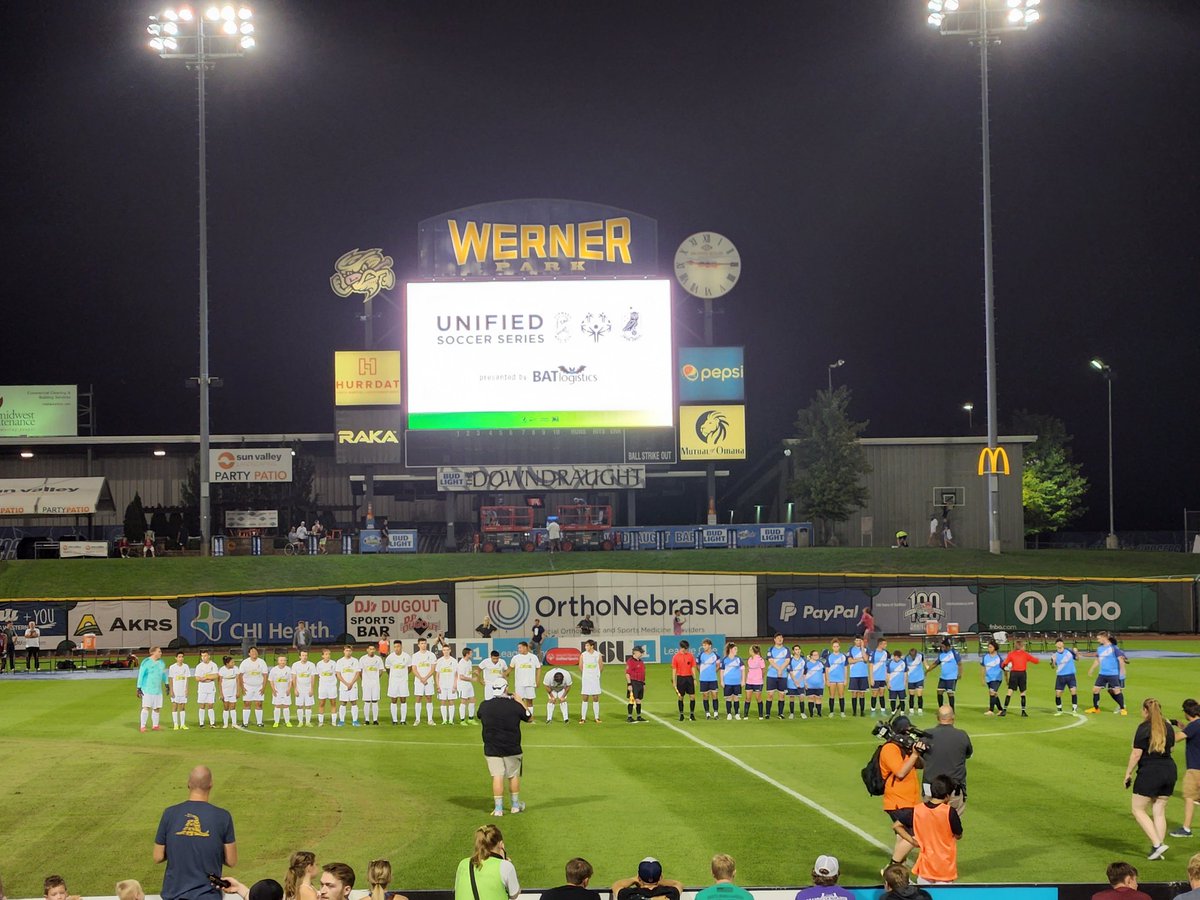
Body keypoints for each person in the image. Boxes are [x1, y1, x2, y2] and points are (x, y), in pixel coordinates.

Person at [153, 765, 237, 900]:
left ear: (188, 784)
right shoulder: (223, 816)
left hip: (174, 895)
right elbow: (231, 860)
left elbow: (157, 856)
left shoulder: (169, 813)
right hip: (208, 896)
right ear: (211, 784)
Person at [1125, 697, 1177, 860]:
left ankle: (1157, 845)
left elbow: (1136, 753)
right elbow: (1172, 749)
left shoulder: (1143, 728)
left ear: (1145, 711)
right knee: (1159, 810)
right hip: (1169, 770)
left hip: (1151, 772)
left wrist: (1128, 773)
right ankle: (1158, 849)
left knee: (1138, 809)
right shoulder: (1168, 727)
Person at [478, 682, 533, 815]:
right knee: (513, 775)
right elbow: (529, 718)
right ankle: (515, 806)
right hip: (512, 747)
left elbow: (479, 715)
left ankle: (498, 809)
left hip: (491, 747)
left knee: (497, 776)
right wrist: (521, 702)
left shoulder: (484, 705)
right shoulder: (514, 705)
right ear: (506, 688)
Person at [879, 715, 927, 868]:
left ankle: (898, 872)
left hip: (909, 800)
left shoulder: (904, 747)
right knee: (916, 834)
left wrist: (915, 751)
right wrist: (914, 754)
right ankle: (892, 867)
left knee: (902, 838)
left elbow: (921, 765)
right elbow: (900, 772)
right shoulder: (889, 748)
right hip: (898, 801)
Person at [902, 774, 964, 885]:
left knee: (924, 893)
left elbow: (896, 826)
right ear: (947, 796)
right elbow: (958, 835)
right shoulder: (949, 812)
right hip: (944, 867)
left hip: (925, 866)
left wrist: (913, 841)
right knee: (943, 894)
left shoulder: (917, 809)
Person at [921, 705, 972, 814]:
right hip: (954, 789)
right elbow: (968, 754)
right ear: (953, 717)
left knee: (929, 821)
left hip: (931, 789)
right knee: (953, 822)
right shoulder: (962, 735)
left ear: (937, 717)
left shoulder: (926, 735)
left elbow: (918, 758)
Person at [453, 825, 519, 900]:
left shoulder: (463, 864)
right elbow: (514, 894)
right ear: (501, 845)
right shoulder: (505, 866)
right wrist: (504, 861)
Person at [1171, 699, 1200, 838]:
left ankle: (1186, 829)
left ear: (1187, 712)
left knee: (1189, 797)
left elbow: (1176, 738)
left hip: (1195, 769)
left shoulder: (1193, 726)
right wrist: (1184, 727)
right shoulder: (1194, 726)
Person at [1088, 631, 1128, 715]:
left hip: (1113, 674)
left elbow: (1121, 660)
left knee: (1116, 691)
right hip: (1102, 673)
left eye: (1099, 638)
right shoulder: (1100, 648)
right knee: (1095, 690)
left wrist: (1122, 672)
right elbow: (1098, 660)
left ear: (1104, 638)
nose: (1098, 640)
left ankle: (1122, 709)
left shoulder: (1114, 648)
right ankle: (1096, 708)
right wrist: (1092, 669)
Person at [1000, 638, 1041, 717]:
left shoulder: (1011, 654)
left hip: (1014, 674)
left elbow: (1004, 663)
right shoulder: (1025, 654)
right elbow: (1036, 661)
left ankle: (1004, 710)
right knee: (1023, 693)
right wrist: (1036, 659)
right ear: (1022, 646)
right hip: (1022, 674)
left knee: (1010, 691)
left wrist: (1004, 667)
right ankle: (1023, 712)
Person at [611, 857, 683, 900]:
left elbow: (616, 885)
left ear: (639, 877)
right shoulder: (671, 893)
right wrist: (659, 880)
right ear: (660, 877)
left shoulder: (628, 895)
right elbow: (677, 884)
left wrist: (634, 879)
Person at [137, 646, 168, 732]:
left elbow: (163, 674)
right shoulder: (146, 662)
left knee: (157, 708)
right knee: (146, 707)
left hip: (158, 690)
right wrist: (138, 687)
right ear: (153, 652)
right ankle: (142, 726)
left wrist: (166, 683)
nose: (161, 653)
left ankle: (155, 725)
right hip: (147, 689)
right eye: (159, 651)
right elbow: (141, 675)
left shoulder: (161, 663)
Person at [926, 639, 961, 711]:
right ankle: (941, 709)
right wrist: (927, 670)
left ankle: (952, 711)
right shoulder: (941, 655)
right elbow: (935, 664)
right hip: (943, 677)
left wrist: (960, 673)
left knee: (950, 693)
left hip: (952, 677)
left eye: (943, 646)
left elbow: (959, 664)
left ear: (948, 647)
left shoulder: (954, 653)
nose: (942, 648)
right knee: (939, 692)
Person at [239, 646, 269, 728]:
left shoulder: (262, 662)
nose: (254, 653)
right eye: (252, 651)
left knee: (259, 703)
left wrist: (263, 687)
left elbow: (265, 675)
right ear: (249, 653)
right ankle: (245, 723)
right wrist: (242, 688)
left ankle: (259, 722)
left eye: (255, 651)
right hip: (247, 686)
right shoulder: (245, 663)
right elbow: (240, 675)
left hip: (259, 686)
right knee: (247, 703)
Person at [385, 639, 412, 725]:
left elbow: (409, 668)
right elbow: (387, 668)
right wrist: (393, 676)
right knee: (394, 700)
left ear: (401, 647)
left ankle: (403, 720)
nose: (397, 648)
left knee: (403, 699)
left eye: (398, 646)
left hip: (403, 681)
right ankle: (395, 720)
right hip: (393, 681)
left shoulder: (407, 656)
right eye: (395, 647)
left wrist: (404, 675)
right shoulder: (390, 657)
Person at [411, 637, 437, 726]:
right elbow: (414, 669)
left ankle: (430, 719)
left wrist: (425, 678)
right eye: (422, 643)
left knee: (429, 698)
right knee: (418, 698)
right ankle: (417, 719)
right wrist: (421, 678)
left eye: (425, 643)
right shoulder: (415, 656)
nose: (423, 645)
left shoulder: (431, 655)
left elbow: (433, 669)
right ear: (418, 645)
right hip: (419, 680)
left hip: (428, 679)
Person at [335, 644, 361, 727]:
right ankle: (341, 721)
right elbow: (338, 674)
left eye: (349, 651)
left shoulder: (355, 661)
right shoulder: (340, 661)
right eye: (346, 650)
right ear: (344, 651)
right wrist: (346, 683)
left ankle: (355, 721)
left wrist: (351, 683)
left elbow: (357, 673)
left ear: (352, 652)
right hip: (343, 685)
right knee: (343, 702)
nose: (348, 652)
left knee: (354, 702)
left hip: (353, 685)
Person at [671, 639, 698, 721]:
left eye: (687, 648)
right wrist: (674, 681)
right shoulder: (675, 657)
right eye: (685, 648)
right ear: (681, 648)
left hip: (689, 678)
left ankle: (692, 714)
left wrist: (694, 679)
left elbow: (693, 667)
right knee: (680, 697)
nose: (686, 650)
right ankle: (681, 714)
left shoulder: (690, 656)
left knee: (692, 696)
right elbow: (674, 669)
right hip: (680, 678)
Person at [1053, 637, 1081, 715]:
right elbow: (1053, 666)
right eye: (1058, 642)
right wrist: (1054, 661)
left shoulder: (1069, 651)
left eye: (1060, 642)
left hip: (1071, 675)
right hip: (1060, 676)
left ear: (1063, 644)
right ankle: (1059, 710)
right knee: (1058, 693)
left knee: (1073, 691)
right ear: (1055, 645)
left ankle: (1074, 709)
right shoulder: (1054, 655)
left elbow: (1077, 659)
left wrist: (1077, 653)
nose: (1059, 643)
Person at [765, 633, 790, 720]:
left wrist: (780, 670)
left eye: (781, 638)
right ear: (774, 639)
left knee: (782, 695)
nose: (780, 639)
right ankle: (767, 713)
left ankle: (780, 713)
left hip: (783, 675)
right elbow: (771, 661)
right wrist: (779, 669)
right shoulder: (770, 649)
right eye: (778, 638)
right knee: (770, 694)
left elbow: (787, 661)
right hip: (771, 675)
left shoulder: (786, 649)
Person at [360, 644, 385, 725]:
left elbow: (381, 670)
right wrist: (364, 679)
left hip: (375, 683)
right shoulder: (363, 659)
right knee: (367, 701)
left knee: (375, 701)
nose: (372, 651)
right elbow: (360, 671)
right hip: (366, 683)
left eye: (373, 649)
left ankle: (375, 720)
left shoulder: (378, 659)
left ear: (375, 650)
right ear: (367, 650)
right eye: (370, 649)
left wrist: (376, 677)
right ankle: (367, 720)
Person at [578, 639, 602, 722]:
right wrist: (586, 674)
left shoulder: (597, 655)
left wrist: (596, 675)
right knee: (585, 696)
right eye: (585, 645)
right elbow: (580, 666)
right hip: (586, 679)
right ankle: (583, 718)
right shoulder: (583, 655)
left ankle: (597, 717)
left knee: (595, 697)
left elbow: (601, 666)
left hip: (595, 678)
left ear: (592, 646)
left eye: (587, 645)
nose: (586, 647)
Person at [291, 650, 316, 727]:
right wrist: (295, 689)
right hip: (299, 689)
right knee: (299, 706)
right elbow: (294, 677)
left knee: (308, 706)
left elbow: (313, 677)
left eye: (306, 655)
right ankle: (300, 722)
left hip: (308, 689)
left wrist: (312, 689)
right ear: (300, 656)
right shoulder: (295, 665)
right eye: (303, 655)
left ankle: (308, 722)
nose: (304, 657)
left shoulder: (311, 665)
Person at [169, 650, 192, 731]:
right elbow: (171, 679)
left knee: (182, 707)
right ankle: (175, 724)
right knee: (175, 706)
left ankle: (182, 724)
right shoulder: (172, 667)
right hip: (175, 689)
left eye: (182, 657)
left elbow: (187, 679)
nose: (181, 658)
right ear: (176, 658)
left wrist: (186, 689)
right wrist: (171, 690)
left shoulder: (186, 667)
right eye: (179, 657)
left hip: (183, 689)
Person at [720, 641, 744, 720]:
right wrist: (722, 681)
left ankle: (737, 714)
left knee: (736, 698)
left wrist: (743, 680)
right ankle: (729, 714)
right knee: (728, 698)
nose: (737, 650)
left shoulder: (739, 659)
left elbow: (743, 670)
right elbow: (722, 671)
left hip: (737, 682)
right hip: (728, 682)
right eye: (735, 649)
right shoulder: (724, 660)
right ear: (730, 649)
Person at [195, 649, 218, 728]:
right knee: (202, 705)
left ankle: (212, 723)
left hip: (211, 687)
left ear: (209, 656)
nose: (203, 657)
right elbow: (197, 678)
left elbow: (215, 675)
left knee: (210, 705)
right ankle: (201, 723)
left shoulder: (213, 665)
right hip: (202, 687)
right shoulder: (199, 666)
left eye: (205, 656)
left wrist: (205, 677)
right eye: (202, 656)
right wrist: (206, 678)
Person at [698, 639, 721, 719]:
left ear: (710, 645)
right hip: (703, 679)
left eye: (705, 645)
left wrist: (713, 672)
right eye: (703, 645)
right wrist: (702, 672)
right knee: (705, 696)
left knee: (714, 695)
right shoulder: (700, 655)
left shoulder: (716, 655)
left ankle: (716, 713)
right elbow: (697, 665)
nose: (704, 646)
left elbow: (718, 665)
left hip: (713, 679)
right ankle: (707, 713)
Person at [270, 653, 294, 728]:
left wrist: (289, 689)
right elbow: (271, 680)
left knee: (286, 706)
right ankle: (276, 722)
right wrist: (273, 689)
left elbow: (291, 681)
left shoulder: (288, 669)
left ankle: (287, 722)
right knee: (277, 706)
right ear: (278, 661)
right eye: (281, 660)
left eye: (284, 660)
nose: (283, 662)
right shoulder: (274, 670)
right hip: (277, 691)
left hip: (286, 691)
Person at [980, 640, 1004, 716]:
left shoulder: (999, 658)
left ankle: (991, 710)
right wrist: (983, 678)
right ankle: (1001, 709)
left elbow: (1004, 667)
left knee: (992, 692)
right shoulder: (985, 657)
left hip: (997, 679)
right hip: (989, 678)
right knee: (994, 694)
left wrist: (1007, 678)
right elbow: (983, 668)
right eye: (988, 647)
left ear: (995, 648)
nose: (989, 648)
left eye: (990, 647)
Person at [848, 636, 870, 717]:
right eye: (856, 640)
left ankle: (862, 711)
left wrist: (862, 648)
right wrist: (860, 659)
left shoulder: (866, 649)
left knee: (862, 694)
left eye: (859, 640)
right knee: (854, 693)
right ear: (854, 641)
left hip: (863, 674)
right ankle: (854, 712)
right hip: (854, 675)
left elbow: (866, 659)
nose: (858, 642)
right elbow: (850, 661)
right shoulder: (851, 649)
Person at [315, 648, 338, 726]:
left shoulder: (334, 663)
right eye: (326, 654)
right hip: (323, 687)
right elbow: (318, 675)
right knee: (321, 703)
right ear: (322, 656)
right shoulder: (319, 664)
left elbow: (336, 674)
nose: (328, 656)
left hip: (332, 686)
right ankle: (321, 722)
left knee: (333, 703)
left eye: (329, 654)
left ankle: (334, 722)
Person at [827, 639, 848, 717]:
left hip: (840, 679)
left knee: (841, 695)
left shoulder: (843, 656)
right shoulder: (829, 657)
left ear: (839, 647)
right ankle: (831, 712)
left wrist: (845, 679)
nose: (836, 648)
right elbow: (827, 669)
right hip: (832, 679)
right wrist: (827, 680)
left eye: (837, 646)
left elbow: (845, 668)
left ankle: (842, 712)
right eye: (834, 646)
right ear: (832, 647)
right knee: (831, 696)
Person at [626, 645, 647, 723]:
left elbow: (643, 673)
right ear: (635, 652)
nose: (641, 654)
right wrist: (629, 684)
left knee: (638, 700)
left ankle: (639, 716)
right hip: (633, 682)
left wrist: (643, 684)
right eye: (640, 652)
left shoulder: (641, 662)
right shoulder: (630, 661)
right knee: (632, 699)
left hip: (640, 683)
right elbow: (627, 673)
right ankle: (629, 717)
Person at [743, 645, 765, 719]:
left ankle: (761, 715)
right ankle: (745, 715)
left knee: (758, 698)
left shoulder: (760, 660)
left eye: (750, 650)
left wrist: (760, 678)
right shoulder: (749, 659)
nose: (749, 651)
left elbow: (763, 670)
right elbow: (748, 669)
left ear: (753, 651)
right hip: (749, 681)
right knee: (747, 698)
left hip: (757, 682)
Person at [804, 648, 827, 719]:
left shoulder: (820, 664)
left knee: (818, 698)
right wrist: (805, 683)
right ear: (811, 656)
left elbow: (823, 673)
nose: (817, 656)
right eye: (815, 655)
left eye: (817, 655)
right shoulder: (807, 664)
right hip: (810, 684)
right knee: (811, 698)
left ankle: (819, 713)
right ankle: (811, 714)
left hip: (819, 684)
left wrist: (824, 681)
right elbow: (804, 674)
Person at [869, 637, 890, 717]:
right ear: (880, 644)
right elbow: (870, 666)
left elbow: (887, 665)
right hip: (875, 677)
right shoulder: (873, 653)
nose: (886, 645)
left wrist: (887, 677)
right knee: (874, 694)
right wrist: (871, 678)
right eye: (884, 644)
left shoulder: (886, 653)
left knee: (882, 693)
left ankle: (883, 710)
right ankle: (873, 710)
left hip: (883, 677)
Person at [218, 655, 240, 728]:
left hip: (233, 691)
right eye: (232, 662)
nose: (234, 663)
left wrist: (238, 691)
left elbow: (237, 680)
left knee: (233, 707)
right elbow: (219, 682)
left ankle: (234, 723)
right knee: (226, 707)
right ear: (227, 663)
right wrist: (221, 693)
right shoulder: (222, 670)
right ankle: (225, 724)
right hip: (225, 692)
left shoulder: (236, 669)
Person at [904, 646, 925, 716]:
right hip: (911, 679)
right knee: (911, 695)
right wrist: (905, 678)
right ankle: (911, 709)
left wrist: (928, 669)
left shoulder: (920, 656)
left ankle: (920, 708)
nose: (913, 657)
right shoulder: (906, 658)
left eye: (914, 655)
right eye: (911, 655)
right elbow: (905, 669)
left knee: (919, 694)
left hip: (919, 678)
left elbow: (925, 663)